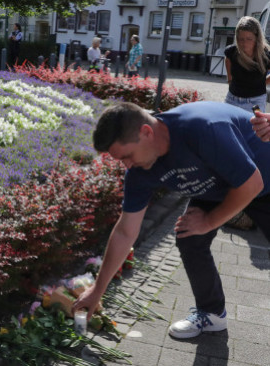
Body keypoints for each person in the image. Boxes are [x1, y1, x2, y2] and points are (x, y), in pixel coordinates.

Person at [72, 101, 270, 340]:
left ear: (146, 132)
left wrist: (208, 221)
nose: (127, 165)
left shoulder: (200, 128)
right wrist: (96, 291)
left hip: (262, 177)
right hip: (218, 185)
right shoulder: (139, 172)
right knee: (189, 235)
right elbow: (125, 231)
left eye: (127, 156)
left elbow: (252, 184)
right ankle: (212, 314)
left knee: (200, 225)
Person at [224, 16, 270, 113]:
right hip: (232, 99)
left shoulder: (265, 55)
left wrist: (264, 82)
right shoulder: (232, 51)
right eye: (241, 39)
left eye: (249, 39)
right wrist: (229, 79)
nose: (244, 43)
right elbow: (227, 59)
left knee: (253, 128)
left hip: (255, 102)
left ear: (257, 38)